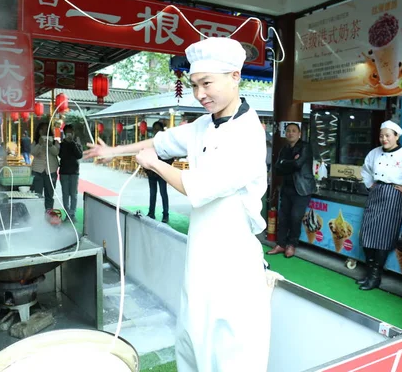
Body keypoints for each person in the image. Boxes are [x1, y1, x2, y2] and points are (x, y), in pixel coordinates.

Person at [83, 37, 271, 371]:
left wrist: (154, 163)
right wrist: (111, 151)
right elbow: (161, 141)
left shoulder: (248, 133)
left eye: (207, 83)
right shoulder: (202, 125)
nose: (200, 94)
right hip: (202, 248)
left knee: (232, 343)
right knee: (193, 330)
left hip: (234, 255)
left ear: (235, 77)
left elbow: (198, 186)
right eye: (195, 85)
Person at [358, 121, 402, 291]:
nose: (384, 139)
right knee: (367, 235)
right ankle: (369, 273)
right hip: (376, 193)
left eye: (387, 136)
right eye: (381, 135)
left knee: (383, 237)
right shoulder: (374, 153)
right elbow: (365, 169)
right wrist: (370, 184)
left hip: (394, 196)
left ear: (397, 137)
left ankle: (375, 277)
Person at [267, 123, 316, 258]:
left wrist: (285, 162)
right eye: (288, 131)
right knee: (283, 217)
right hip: (287, 187)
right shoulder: (285, 148)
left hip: (302, 188)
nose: (290, 133)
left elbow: (298, 164)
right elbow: (277, 167)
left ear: (299, 133)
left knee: (295, 217)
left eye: (294, 131)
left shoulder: (305, 147)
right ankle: (281, 244)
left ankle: (291, 244)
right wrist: (289, 162)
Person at [146, 121, 173, 223]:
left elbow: (170, 157)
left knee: (163, 193)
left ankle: (165, 215)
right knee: (152, 193)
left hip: (161, 173)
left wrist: (163, 167)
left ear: (162, 130)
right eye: (155, 129)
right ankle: (151, 212)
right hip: (151, 173)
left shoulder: (166, 143)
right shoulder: (150, 143)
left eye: (158, 129)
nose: (156, 131)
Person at [31, 122, 60, 211]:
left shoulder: (55, 142)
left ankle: (49, 214)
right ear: (39, 131)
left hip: (51, 171)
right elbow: (33, 153)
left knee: (49, 195)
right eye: (42, 129)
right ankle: (37, 215)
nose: (44, 131)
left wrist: (50, 145)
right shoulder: (35, 142)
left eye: (46, 129)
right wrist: (39, 144)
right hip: (37, 171)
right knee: (37, 195)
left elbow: (56, 153)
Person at [59, 124, 83, 221]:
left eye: (71, 132)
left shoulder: (76, 143)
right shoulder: (61, 144)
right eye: (68, 132)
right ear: (65, 133)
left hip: (74, 172)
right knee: (65, 194)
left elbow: (79, 155)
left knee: (73, 194)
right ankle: (67, 213)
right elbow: (61, 155)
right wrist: (66, 143)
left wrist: (73, 143)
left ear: (73, 133)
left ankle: (72, 213)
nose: (70, 134)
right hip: (64, 172)